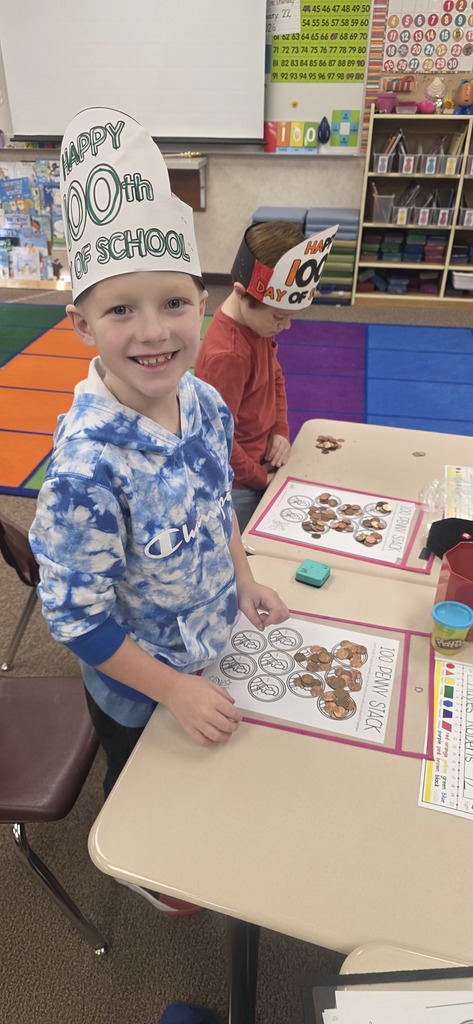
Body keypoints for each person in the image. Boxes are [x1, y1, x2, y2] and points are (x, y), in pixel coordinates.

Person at [29, 106, 289, 915]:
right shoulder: (83, 469)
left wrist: (242, 577)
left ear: (201, 300)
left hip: (209, 638)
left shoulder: (206, 402)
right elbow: (74, 618)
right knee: (147, 795)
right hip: (138, 688)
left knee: (213, 772)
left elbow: (216, 506)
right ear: (80, 325)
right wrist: (170, 691)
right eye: (120, 311)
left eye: (173, 304)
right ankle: (146, 871)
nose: (153, 333)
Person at [194, 218, 337, 532]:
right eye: (279, 317)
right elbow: (218, 439)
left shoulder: (257, 326)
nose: (285, 327)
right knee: (244, 554)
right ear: (243, 294)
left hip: (260, 462)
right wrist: (259, 478)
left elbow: (275, 377)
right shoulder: (228, 354)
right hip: (240, 484)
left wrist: (280, 429)